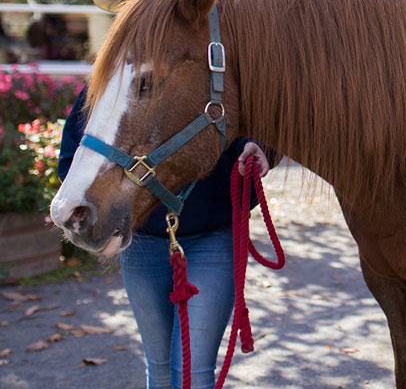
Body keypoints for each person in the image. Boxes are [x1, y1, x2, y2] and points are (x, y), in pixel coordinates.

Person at [58, 87, 276, 389]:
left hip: (212, 236)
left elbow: (267, 123)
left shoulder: (217, 69)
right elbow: (73, 159)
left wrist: (265, 149)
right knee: (159, 370)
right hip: (143, 240)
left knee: (193, 373)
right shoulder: (115, 81)